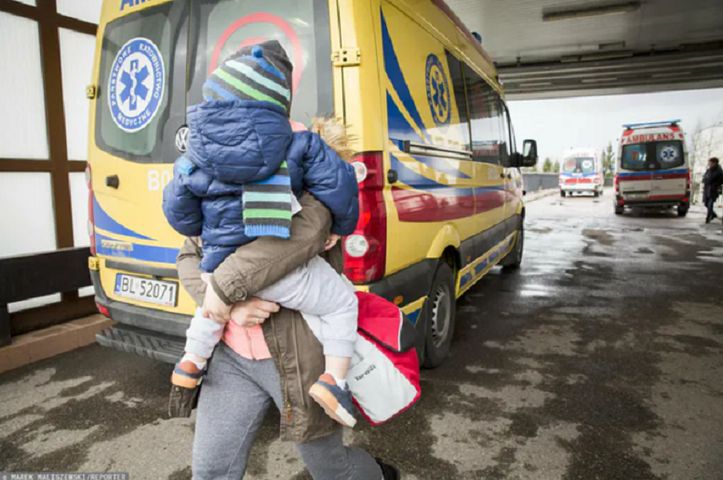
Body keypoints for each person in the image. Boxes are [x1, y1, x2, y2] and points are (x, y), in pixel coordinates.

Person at [162, 41, 360, 427]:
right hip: (279, 283)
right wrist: (343, 225)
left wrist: (201, 231)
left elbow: (181, 218)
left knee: (209, 307)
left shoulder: (197, 156)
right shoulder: (301, 145)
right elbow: (340, 187)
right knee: (341, 302)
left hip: (222, 269)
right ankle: (335, 378)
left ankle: (191, 360)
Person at [175, 195, 399, 479]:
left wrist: (223, 292)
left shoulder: (309, 181)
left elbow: (293, 241)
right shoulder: (217, 177)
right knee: (210, 471)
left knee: (332, 471)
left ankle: (378, 475)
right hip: (231, 357)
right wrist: (229, 308)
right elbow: (188, 255)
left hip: (297, 358)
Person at [702, 157, 723, 223]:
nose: (709, 164)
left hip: (714, 189)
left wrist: (713, 183)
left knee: (710, 204)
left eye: (710, 162)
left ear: (714, 163)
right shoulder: (709, 170)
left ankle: (708, 217)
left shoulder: (719, 171)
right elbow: (704, 177)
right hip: (707, 188)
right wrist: (705, 180)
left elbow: (719, 180)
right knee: (706, 204)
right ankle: (713, 214)